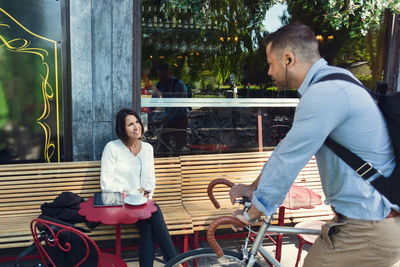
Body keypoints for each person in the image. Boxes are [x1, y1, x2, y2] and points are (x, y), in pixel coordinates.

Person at [229, 23, 400, 266]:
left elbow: (289, 159)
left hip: (367, 228)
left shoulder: (325, 93)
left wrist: (253, 213)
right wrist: (254, 188)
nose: (268, 72)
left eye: (270, 63)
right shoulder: (334, 82)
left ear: (288, 59)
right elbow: (287, 150)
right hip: (366, 223)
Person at [100, 108, 177, 267]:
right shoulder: (112, 148)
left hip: (141, 203)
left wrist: (145, 198)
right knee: (154, 212)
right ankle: (175, 261)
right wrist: (130, 197)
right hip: (119, 203)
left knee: (148, 227)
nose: (136, 127)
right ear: (122, 128)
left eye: (137, 122)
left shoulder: (147, 148)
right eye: (130, 124)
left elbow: (150, 179)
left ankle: (174, 261)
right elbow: (106, 184)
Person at [152, 62, 189, 154]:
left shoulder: (178, 84)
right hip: (169, 118)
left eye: (163, 75)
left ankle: (181, 162)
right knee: (163, 143)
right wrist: (151, 114)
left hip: (181, 118)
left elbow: (176, 104)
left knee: (179, 146)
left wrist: (166, 117)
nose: (161, 77)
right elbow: (154, 100)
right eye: (159, 75)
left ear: (169, 73)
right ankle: (167, 161)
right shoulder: (159, 84)